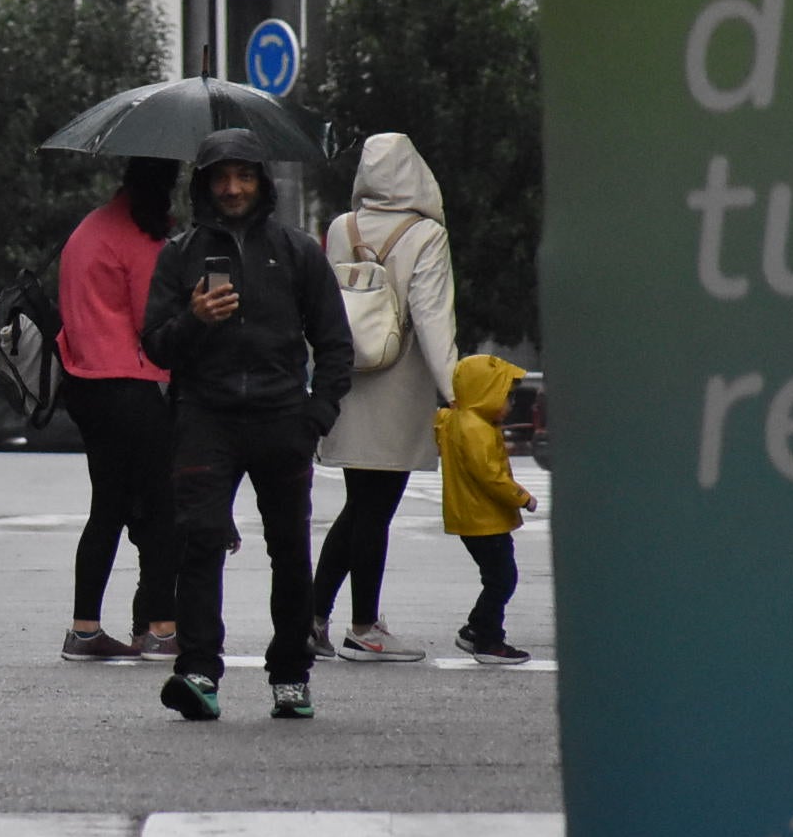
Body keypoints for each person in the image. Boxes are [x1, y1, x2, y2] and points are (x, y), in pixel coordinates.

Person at [141, 128, 354, 722]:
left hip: (283, 418)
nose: (233, 188)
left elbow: (336, 344)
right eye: (221, 177)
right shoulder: (179, 255)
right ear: (203, 184)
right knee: (200, 543)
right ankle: (199, 671)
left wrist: (316, 414)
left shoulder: (297, 251)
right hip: (204, 418)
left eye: (244, 176)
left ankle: (291, 675)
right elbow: (155, 346)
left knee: (289, 551)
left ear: (262, 182)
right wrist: (194, 317)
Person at [308, 134, 461, 662]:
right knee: (376, 510)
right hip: (398, 389)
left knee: (358, 507)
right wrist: (457, 390)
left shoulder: (340, 228)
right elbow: (434, 319)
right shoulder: (426, 236)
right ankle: (364, 626)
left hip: (350, 383)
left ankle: (314, 616)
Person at [55, 158, 182, 660]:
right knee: (160, 509)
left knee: (106, 509)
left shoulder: (90, 228)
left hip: (85, 383)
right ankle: (162, 629)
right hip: (131, 384)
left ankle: (84, 629)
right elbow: (153, 321)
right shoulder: (137, 237)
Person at [436, 354, 538, 665]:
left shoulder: (458, 419)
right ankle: (488, 638)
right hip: (485, 518)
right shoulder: (476, 428)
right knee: (502, 578)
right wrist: (521, 496)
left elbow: (441, 420)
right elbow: (489, 475)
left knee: (496, 577)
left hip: (471, 517)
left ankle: (477, 629)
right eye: (506, 395)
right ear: (485, 393)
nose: (509, 404)